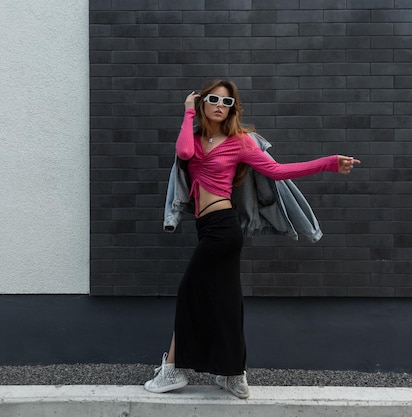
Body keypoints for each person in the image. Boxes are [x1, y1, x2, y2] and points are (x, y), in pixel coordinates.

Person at [144, 79, 360, 399]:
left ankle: (174, 370)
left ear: (233, 108)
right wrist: (188, 113)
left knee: (190, 291)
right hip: (207, 228)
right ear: (203, 102)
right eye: (214, 99)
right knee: (227, 301)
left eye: (227, 102)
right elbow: (184, 151)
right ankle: (232, 373)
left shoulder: (241, 142)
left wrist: (328, 163)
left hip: (223, 227)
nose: (220, 105)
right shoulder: (197, 137)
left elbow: (278, 171)